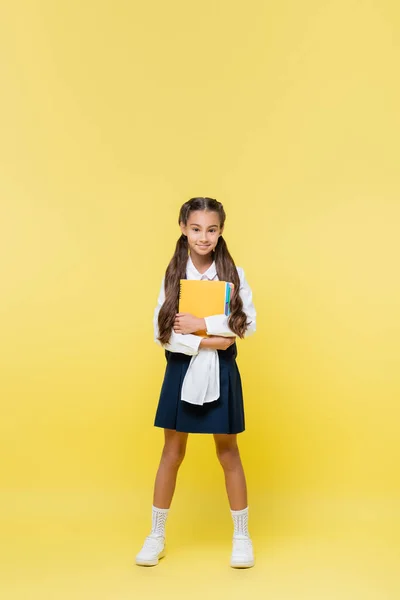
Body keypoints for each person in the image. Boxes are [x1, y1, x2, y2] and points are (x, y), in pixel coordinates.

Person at [135, 197, 257, 568]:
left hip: (221, 371)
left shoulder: (233, 273)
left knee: (228, 452)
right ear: (184, 228)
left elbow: (247, 324)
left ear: (220, 232)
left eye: (212, 229)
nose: (204, 237)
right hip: (181, 369)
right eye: (196, 228)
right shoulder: (173, 274)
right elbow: (164, 333)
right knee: (171, 453)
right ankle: (155, 535)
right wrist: (210, 340)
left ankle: (241, 537)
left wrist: (200, 325)